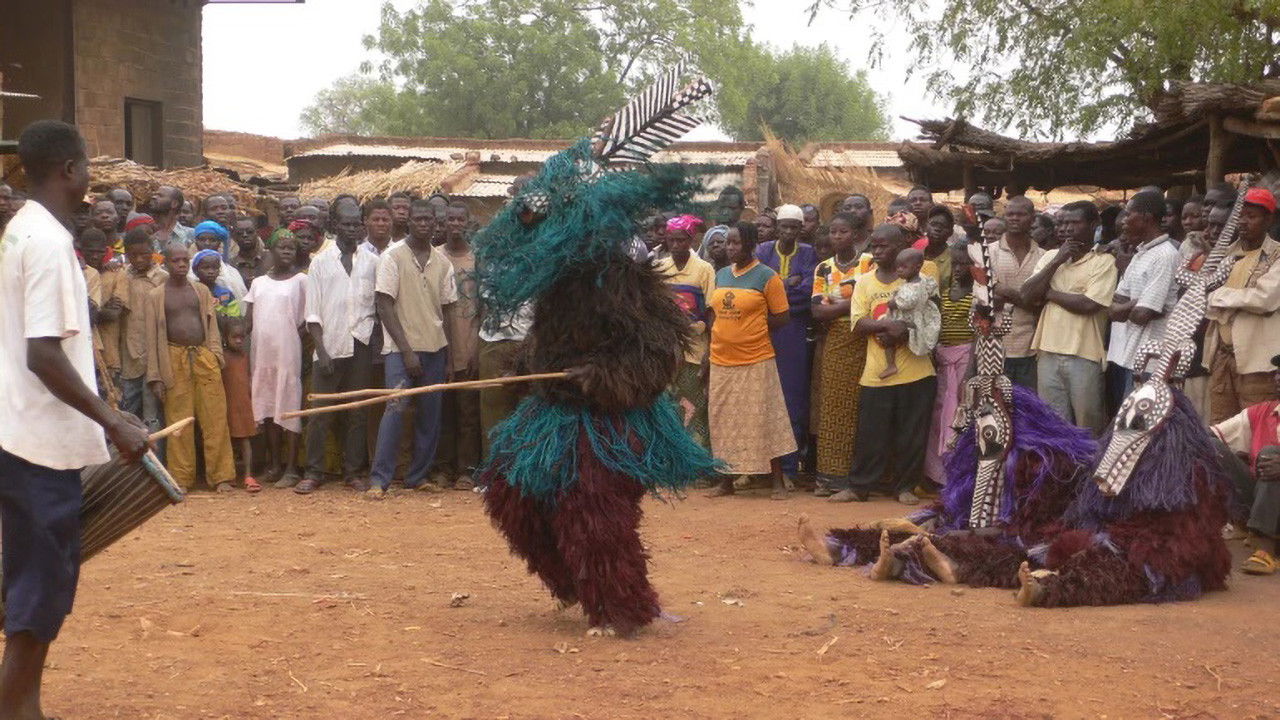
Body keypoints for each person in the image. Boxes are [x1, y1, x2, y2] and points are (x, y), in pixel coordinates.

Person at [0, 119, 150, 720]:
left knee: (36, 582)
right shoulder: (48, 243)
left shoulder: (19, 232)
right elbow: (43, 354)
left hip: (23, 433)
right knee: (41, 588)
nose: (90, 178)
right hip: (39, 444)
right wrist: (113, 421)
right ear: (69, 170)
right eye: (87, 167)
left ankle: (22, 704)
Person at [830, 224, 938, 505]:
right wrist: (887, 326)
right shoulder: (865, 282)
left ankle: (905, 487)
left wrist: (906, 329)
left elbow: (932, 315)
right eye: (874, 246)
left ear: (902, 245)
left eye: (883, 246)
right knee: (870, 436)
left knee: (911, 436)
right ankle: (859, 487)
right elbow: (857, 322)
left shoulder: (921, 278)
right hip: (876, 373)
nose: (876, 252)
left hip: (917, 372)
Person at [368, 198, 458, 499]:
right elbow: (384, 304)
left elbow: (448, 312)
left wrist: (450, 357)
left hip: (435, 349)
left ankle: (417, 476)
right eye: (418, 218)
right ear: (408, 221)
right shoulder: (392, 257)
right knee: (394, 410)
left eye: (428, 219)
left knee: (430, 417)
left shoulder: (443, 263)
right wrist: (406, 351)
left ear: (436, 223)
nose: (423, 224)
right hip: (400, 350)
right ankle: (379, 479)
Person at [706, 221, 794, 499]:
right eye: (728, 242)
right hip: (721, 359)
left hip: (756, 358)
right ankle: (726, 480)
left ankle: (777, 481)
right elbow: (713, 314)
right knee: (723, 421)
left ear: (751, 245)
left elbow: (782, 316)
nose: (731, 248)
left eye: (736, 243)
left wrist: (752, 326)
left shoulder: (767, 277)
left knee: (764, 418)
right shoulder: (720, 275)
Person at [299, 202, 379, 495]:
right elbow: (313, 312)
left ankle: (353, 471)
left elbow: (376, 307)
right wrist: (322, 350)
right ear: (335, 226)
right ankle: (314, 471)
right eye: (346, 224)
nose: (353, 229)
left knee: (357, 412)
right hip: (328, 345)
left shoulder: (371, 262)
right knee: (321, 412)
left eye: (357, 224)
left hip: (360, 343)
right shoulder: (321, 262)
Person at [145, 242, 236, 492]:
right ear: (165, 263)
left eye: (185, 260)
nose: (182, 264)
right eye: (176, 261)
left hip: (204, 358)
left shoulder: (200, 291)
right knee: (180, 422)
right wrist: (156, 376)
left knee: (215, 418)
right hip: (173, 359)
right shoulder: (156, 296)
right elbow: (152, 338)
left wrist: (216, 356)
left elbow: (212, 326)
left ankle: (221, 477)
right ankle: (182, 479)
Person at [1022, 201, 1118, 433]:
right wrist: (1057, 261)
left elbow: (1088, 304)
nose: (1066, 229)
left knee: (1088, 425)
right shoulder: (1050, 257)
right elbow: (1027, 295)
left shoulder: (1104, 261)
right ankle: (1061, 471)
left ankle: (1091, 470)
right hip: (1047, 351)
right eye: (1062, 223)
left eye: (1074, 222)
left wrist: (1049, 293)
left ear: (1093, 225)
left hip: (1084, 354)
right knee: (1053, 426)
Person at [1204, 186, 1280, 422]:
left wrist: (1219, 296)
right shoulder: (1225, 254)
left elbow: (1265, 298)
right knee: (1220, 432)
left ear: (1269, 219)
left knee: (1257, 430)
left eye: (1252, 216)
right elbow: (1200, 296)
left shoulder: (1277, 255)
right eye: (1241, 216)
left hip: (1258, 365)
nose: (1244, 222)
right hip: (1222, 358)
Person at [812, 211, 873, 494]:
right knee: (833, 409)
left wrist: (837, 306)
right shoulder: (823, 268)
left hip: (866, 339)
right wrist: (855, 303)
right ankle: (830, 478)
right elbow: (817, 311)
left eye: (843, 232)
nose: (837, 237)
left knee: (863, 409)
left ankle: (858, 477)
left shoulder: (868, 263)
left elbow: (874, 301)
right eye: (833, 232)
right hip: (836, 342)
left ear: (857, 235)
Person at [755, 204, 818, 480]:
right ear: (778, 227)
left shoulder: (808, 253)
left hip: (793, 332)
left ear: (801, 228)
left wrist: (776, 290)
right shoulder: (762, 251)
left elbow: (807, 293)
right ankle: (759, 468)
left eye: (795, 227)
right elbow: (756, 291)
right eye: (785, 227)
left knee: (792, 399)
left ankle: (790, 469)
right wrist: (787, 283)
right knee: (760, 398)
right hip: (762, 331)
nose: (789, 232)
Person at [245, 233, 308, 486]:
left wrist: (291, 336)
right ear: (271, 250)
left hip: (287, 353)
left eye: (291, 248)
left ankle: (291, 468)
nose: (287, 252)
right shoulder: (258, 282)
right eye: (282, 247)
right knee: (269, 407)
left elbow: (308, 319)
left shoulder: (302, 280)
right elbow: (248, 320)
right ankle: (274, 465)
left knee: (289, 406)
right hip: (261, 355)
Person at [1106, 191, 1179, 398]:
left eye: (1129, 215)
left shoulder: (1165, 255)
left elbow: (1141, 316)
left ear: (1146, 217)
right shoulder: (1141, 253)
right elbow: (1113, 310)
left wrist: (1137, 306)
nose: (1124, 221)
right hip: (1132, 358)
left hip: (1154, 363)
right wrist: (1140, 301)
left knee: (1141, 427)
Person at [656, 214, 717, 450]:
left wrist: (710, 351)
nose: (676, 245)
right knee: (668, 405)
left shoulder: (704, 269)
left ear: (691, 241)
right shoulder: (661, 268)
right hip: (667, 348)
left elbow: (712, 312)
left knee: (695, 404)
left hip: (695, 347)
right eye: (672, 240)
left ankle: (698, 460)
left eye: (681, 240)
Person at [434, 202, 483, 490]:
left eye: (459, 219)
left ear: (467, 223)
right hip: (439, 346)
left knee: (468, 412)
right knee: (442, 412)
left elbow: (484, 306)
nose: (454, 224)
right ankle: (442, 468)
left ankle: (466, 469)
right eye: (449, 219)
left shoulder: (478, 259)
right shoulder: (434, 258)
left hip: (469, 343)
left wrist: (476, 347)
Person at [975, 197, 1044, 389]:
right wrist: (1028, 300)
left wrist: (1001, 289)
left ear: (1032, 218)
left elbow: (1043, 300)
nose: (1014, 218)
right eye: (1010, 214)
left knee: (1027, 410)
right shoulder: (987, 253)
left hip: (1031, 349)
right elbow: (985, 301)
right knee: (995, 410)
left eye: (1021, 214)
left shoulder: (1043, 256)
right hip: (994, 348)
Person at [923, 241, 975, 484]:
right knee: (939, 413)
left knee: (959, 413)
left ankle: (958, 473)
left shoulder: (977, 296)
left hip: (965, 357)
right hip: (943, 356)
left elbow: (977, 334)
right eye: (955, 264)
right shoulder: (943, 294)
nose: (958, 269)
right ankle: (938, 473)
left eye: (965, 263)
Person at [119, 227, 168, 433]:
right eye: (133, 256)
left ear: (152, 252)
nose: (139, 260)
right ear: (127, 255)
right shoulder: (121, 277)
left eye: (144, 255)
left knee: (153, 417)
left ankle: (158, 463)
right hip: (129, 356)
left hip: (154, 357)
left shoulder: (163, 278)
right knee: (128, 410)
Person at [878, 248, 940, 379]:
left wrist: (892, 303)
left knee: (886, 337)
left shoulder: (914, 287)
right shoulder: (922, 280)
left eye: (904, 267)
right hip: (915, 317)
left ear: (917, 267)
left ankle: (891, 365)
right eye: (897, 267)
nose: (899, 270)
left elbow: (908, 302)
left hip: (911, 321)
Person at [219, 316, 259, 492]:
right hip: (225, 404)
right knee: (226, 441)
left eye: (242, 337)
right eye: (234, 337)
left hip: (243, 404)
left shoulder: (245, 357)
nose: (238, 340)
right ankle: (229, 474)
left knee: (245, 440)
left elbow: (249, 378)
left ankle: (248, 475)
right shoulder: (222, 357)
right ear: (225, 338)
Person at [189, 220, 247, 298]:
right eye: (202, 239)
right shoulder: (187, 270)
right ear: (195, 242)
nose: (207, 243)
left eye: (212, 240)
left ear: (219, 243)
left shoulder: (231, 273)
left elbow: (240, 300)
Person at [191, 250, 240, 316]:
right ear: (196, 270)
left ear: (219, 270)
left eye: (215, 268)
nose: (211, 271)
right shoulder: (191, 292)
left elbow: (234, 317)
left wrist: (218, 308)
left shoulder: (225, 293)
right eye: (206, 268)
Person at [922, 205, 956, 294]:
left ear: (951, 232)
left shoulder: (954, 259)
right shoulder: (915, 254)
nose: (937, 229)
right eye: (933, 224)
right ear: (926, 226)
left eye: (943, 226)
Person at [229, 215, 268, 288]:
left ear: (257, 233)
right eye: (240, 233)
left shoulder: (271, 258)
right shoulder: (231, 266)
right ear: (234, 237)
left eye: (250, 232)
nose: (245, 235)